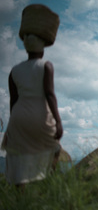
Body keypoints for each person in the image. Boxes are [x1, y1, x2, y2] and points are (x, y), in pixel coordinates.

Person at [1, 34, 63, 188]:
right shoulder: (46, 66)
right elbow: (49, 94)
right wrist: (58, 121)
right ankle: (47, 180)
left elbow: (13, 100)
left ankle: (20, 194)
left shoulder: (14, 71)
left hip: (18, 115)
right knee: (55, 148)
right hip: (40, 114)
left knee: (18, 154)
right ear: (42, 50)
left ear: (26, 50)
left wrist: (11, 124)